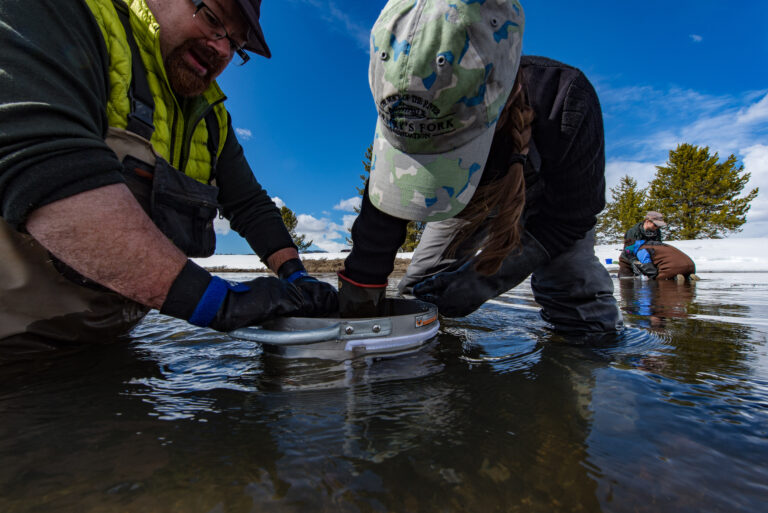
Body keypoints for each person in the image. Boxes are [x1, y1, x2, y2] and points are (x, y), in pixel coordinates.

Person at [0, 0, 337, 350]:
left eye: (235, 44)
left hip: (109, 350)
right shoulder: (70, 16)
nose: (221, 49)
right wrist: (218, 301)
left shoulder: (212, 118)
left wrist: (296, 277)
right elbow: (44, 166)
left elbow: (250, 205)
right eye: (211, 19)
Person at [338, 0, 622, 334]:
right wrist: (354, 312)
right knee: (420, 296)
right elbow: (378, 227)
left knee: (573, 291)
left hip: (553, 210)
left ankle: (586, 365)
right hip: (456, 191)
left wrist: (488, 277)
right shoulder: (406, 100)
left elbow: (571, 217)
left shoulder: (565, 99)